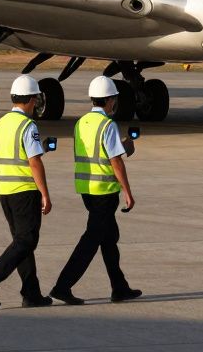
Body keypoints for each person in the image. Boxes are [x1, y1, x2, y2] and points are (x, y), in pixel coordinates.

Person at [49, 75, 141, 305]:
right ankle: (62, 286)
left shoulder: (81, 123)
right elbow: (115, 161)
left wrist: (121, 147)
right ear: (109, 100)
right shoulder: (107, 125)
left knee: (109, 239)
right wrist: (128, 192)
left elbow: (94, 152)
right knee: (91, 241)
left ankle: (119, 288)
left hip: (86, 189)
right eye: (114, 99)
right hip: (104, 191)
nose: (115, 103)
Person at [0, 75, 54, 309]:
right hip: (24, 190)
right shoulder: (28, 126)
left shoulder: (0, 124)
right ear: (31, 100)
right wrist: (45, 193)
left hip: (5, 190)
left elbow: (12, 154)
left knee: (22, 242)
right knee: (26, 241)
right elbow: (34, 162)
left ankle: (31, 294)